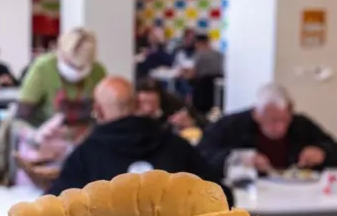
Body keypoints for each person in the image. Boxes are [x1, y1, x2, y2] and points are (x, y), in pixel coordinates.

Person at [197, 83, 337, 216]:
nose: (280, 127)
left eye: (284, 120)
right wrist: (237, 158)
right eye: (273, 121)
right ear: (257, 115)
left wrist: (323, 153)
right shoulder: (233, 125)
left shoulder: (301, 125)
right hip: (253, 207)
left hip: (298, 203)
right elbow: (202, 155)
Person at [47, 77, 233, 205]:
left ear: (99, 111)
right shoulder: (177, 146)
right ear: (137, 105)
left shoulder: (86, 155)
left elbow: (53, 208)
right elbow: (223, 197)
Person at [17, 27, 107, 128]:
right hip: (46, 134)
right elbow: (22, 115)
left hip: (84, 136)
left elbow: (106, 112)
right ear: (60, 54)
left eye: (81, 67)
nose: (76, 71)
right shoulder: (43, 68)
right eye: (70, 65)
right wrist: (35, 137)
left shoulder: (98, 71)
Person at [135, 79, 208, 131]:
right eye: (144, 102)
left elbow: (203, 122)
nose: (148, 108)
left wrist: (191, 123)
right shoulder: (131, 111)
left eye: (152, 103)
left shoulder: (173, 103)